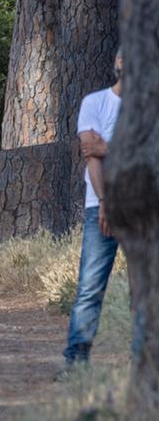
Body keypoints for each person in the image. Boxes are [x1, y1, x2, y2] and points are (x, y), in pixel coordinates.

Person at [60, 50, 136, 375]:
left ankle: (143, 364)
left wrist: (110, 148)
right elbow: (91, 155)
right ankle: (76, 364)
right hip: (100, 207)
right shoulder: (94, 102)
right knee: (90, 287)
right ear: (116, 62)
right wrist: (105, 201)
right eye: (123, 53)